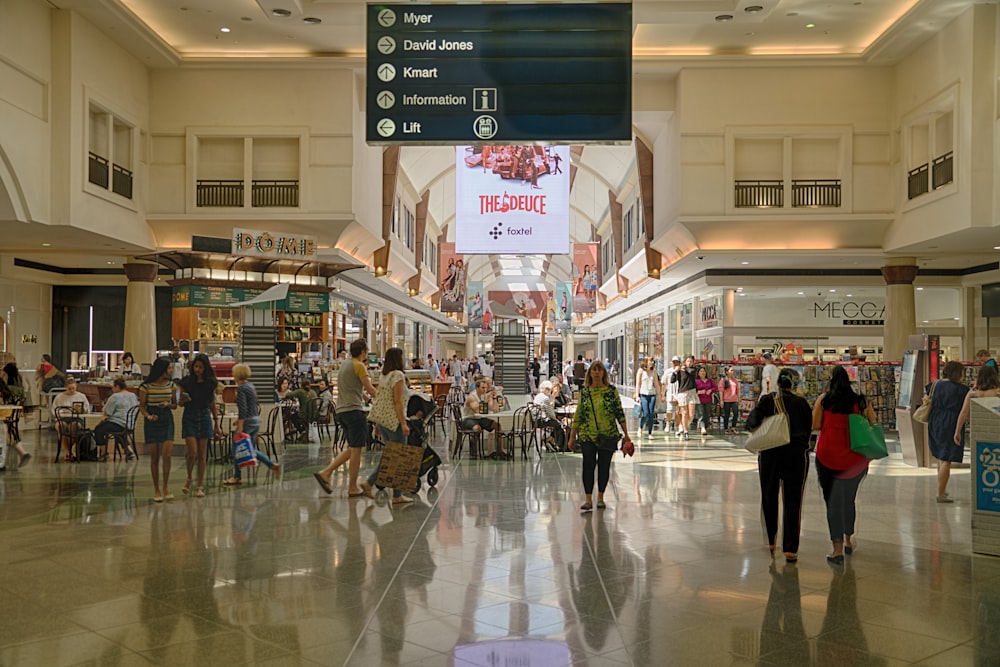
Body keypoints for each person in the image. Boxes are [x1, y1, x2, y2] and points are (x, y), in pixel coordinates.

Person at [812, 365, 877, 564]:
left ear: (831, 380)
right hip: (854, 460)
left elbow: (815, 425)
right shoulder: (859, 401)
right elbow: (873, 423)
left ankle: (837, 550)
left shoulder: (824, 400)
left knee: (833, 502)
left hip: (828, 458)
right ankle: (849, 539)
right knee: (849, 499)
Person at [746, 370, 813, 563]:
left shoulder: (768, 400)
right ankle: (790, 549)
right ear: (793, 384)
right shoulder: (802, 404)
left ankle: (770, 541)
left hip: (770, 454)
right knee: (793, 500)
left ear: (778, 383)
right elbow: (809, 429)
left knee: (769, 495)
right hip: (796, 455)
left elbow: (751, 423)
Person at [314, 339, 378, 498]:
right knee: (357, 450)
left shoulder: (345, 365)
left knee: (352, 448)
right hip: (354, 411)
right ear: (363, 352)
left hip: (342, 411)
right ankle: (352, 487)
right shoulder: (359, 366)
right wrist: (385, 398)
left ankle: (326, 473)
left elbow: (356, 389)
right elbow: (370, 389)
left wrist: (366, 397)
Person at [568, 361, 632, 512]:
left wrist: (626, 434)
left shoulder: (611, 391)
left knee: (604, 466)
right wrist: (572, 436)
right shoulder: (585, 392)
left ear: (604, 373)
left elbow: (619, 412)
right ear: (589, 373)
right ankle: (588, 499)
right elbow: (579, 414)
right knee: (588, 465)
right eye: (594, 370)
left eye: (599, 370)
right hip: (587, 435)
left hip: (608, 434)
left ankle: (601, 497)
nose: (596, 372)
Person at [361, 347, 414, 504]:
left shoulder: (384, 375)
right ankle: (394, 494)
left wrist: (378, 423)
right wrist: (403, 423)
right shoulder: (398, 375)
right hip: (394, 421)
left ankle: (372, 483)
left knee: (391, 455)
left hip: (383, 420)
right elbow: (397, 401)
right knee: (398, 456)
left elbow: (382, 399)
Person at [224, 363, 280, 485]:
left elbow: (243, 409)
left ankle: (237, 476)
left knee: (237, 448)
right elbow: (252, 405)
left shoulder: (241, 388)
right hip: (255, 420)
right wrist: (238, 420)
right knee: (251, 449)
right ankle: (272, 465)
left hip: (247, 422)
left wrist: (240, 425)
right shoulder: (250, 386)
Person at [925, 360, 972, 502]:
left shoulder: (934, 385)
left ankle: (942, 489)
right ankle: (940, 494)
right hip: (951, 421)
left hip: (935, 419)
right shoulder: (962, 390)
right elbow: (965, 410)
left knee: (941, 456)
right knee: (946, 458)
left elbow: (926, 398)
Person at [178, 353, 222, 498]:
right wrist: (182, 399)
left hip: (204, 415)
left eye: (201, 367)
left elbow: (211, 402)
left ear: (205, 368)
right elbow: (179, 402)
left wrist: (216, 423)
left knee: (202, 454)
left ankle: (200, 485)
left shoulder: (210, 383)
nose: (198, 370)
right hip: (189, 414)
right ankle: (189, 477)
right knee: (193, 452)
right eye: (196, 367)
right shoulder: (187, 382)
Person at [138, 358, 180, 502]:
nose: (171, 371)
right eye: (169, 368)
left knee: (167, 454)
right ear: (162, 370)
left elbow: (175, 405)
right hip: (152, 419)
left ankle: (166, 486)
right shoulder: (146, 386)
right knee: (154, 456)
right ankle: (156, 488)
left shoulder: (172, 385)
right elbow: (142, 406)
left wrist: (168, 404)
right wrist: (148, 416)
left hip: (166, 418)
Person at [93, 378, 139, 462]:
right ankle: (128, 450)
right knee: (120, 432)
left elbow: (108, 412)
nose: (112, 389)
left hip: (118, 423)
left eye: (113, 387)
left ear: (117, 386)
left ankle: (104, 453)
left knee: (98, 430)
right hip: (130, 424)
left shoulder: (115, 396)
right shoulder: (133, 395)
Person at [461, 377, 508, 460]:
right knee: (476, 428)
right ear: (477, 388)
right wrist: (486, 401)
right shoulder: (472, 397)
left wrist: (493, 398)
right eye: (482, 388)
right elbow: (478, 410)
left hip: (479, 419)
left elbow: (494, 409)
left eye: (486, 387)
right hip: (468, 419)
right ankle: (474, 451)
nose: (485, 390)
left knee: (497, 425)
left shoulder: (484, 395)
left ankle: (500, 451)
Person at [52, 376, 89, 461]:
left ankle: (69, 450)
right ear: (66, 388)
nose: (72, 390)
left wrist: (81, 410)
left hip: (77, 419)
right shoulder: (59, 397)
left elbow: (87, 409)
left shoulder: (81, 396)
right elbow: (54, 410)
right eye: (69, 389)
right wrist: (62, 413)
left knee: (73, 427)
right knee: (61, 427)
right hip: (63, 419)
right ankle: (68, 452)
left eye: (73, 388)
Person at [1, 362, 30, 467]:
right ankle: (21, 451)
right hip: (11, 415)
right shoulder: (19, 388)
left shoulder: (5, 387)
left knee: (5, 429)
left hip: (3, 415)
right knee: (10, 429)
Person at [533, 380, 566, 452]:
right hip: (542, 421)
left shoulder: (537, 396)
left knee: (555, 424)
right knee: (559, 425)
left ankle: (550, 439)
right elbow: (550, 413)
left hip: (535, 420)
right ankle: (557, 444)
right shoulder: (545, 398)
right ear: (548, 389)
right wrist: (556, 419)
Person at [671, 356, 698, 440]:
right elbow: (672, 380)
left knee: (691, 414)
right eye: (688, 361)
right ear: (684, 362)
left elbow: (691, 372)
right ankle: (686, 431)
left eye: (691, 361)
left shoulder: (694, 370)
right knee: (684, 413)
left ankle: (682, 426)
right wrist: (675, 372)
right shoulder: (680, 371)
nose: (689, 363)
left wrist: (684, 368)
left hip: (692, 392)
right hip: (682, 393)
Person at [633, 358, 661, 438]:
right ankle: (640, 428)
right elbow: (638, 384)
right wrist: (637, 395)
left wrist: (659, 395)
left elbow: (656, 384)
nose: (652, 362)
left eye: (652, 361)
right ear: (646, 362)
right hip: (643, 394)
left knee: (652, 414)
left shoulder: (654, 371)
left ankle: (650, 433)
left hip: (652, 394)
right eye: (650, 361)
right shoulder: (641, 371)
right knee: (646, 413)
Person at [661, 356, 682, 435]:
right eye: (674, 362)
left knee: (678, 411)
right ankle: (668, 423)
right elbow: (664, 383)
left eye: (677, 362)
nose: (675, 363)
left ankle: (677, 426)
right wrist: (663, 395)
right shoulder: (668, 371)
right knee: (669, 410)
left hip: (679, 392)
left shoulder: (681, 371)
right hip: (670, 392)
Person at [719, 366, 741, 434]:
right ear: (727, 372)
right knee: (727, 414)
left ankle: (733, 427)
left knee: (736, 413)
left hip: (734, 399)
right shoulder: (723, 380)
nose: (732, 372)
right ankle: (726, 428)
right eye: (731, 370)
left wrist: (739, 398)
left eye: (733, 370)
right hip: (726, 400)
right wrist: (721, 400)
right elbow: (721, 390)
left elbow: (738, 390)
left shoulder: (735, 380)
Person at [695, 366, 716, 436]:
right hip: (699, 400)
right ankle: (702, 427)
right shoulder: (696, 381)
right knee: (701, 414)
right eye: (701, 371)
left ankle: (704, 427)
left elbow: (715, 387)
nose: (702, 372)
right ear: (698, 373)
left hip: (708, 400)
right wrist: (700, 392)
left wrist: (710, 390)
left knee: (707, 414)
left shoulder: (710, 380)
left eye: (703, 371)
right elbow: (694, 390)